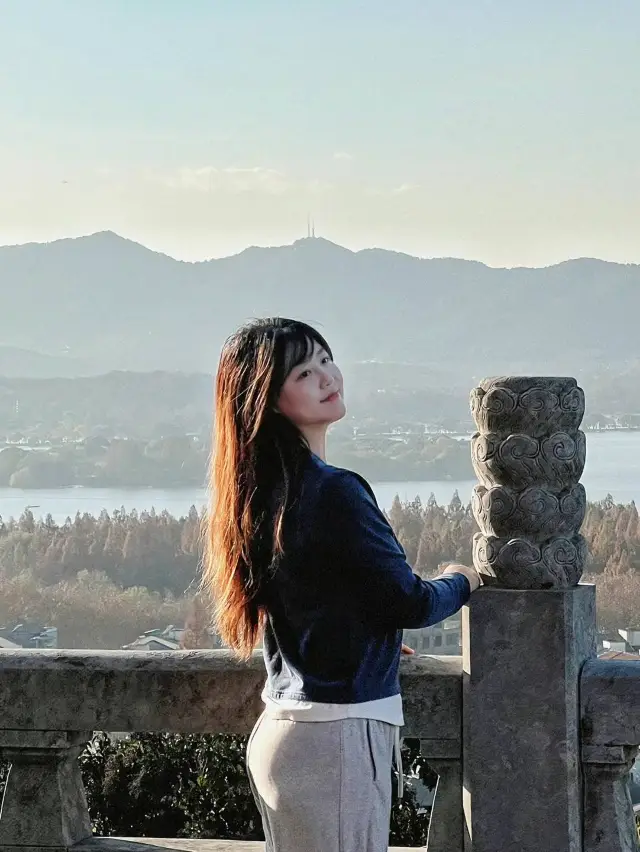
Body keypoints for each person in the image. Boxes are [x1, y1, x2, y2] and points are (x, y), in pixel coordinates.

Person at [202, 317, 481, 852]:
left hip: (288, 732)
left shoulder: (258, 495)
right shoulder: (334, 492)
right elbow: (409, 600)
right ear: (269, 398)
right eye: (305, 372)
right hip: (335, 745)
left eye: (326, 360)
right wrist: (461, 580)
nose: (328, 377)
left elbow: (312, 602)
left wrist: (367, 641)